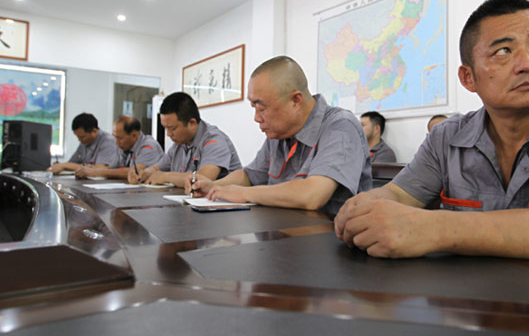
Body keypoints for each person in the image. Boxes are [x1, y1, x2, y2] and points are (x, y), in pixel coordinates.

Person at [335, 0, 529, 279]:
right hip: (487, 303)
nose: (528, 63)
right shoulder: (446, 137)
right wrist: (365, 208)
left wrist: (431, 228)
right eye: (503, 51)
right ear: (468, 77)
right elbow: (397, 195)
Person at [190, 56, 372, 216]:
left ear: (295, 100)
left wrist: (243, 193)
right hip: (283, 229)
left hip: (327, 235)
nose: (256, 118)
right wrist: (215, 186)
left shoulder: (340, 126)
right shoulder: (279, 133)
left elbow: (312, 195)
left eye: (262, 108)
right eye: (253, 108)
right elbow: (250, 175)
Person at [139, 92, 241, 187]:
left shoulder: (214, 141)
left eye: (172, 128)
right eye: (165, 128)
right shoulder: (179, 144)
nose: (168, 134)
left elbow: (203, 179)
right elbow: (156, 168)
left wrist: (165, 176)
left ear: (192, 123)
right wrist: (144, 173)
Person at [75, 115, 164, 181]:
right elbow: (113, 169)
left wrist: (95, 173)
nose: (116, 142)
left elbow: (134, 172)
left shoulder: (148, 146)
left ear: (134, 135)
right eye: (115, 137)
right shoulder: (123, 146)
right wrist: (93, 168)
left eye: (120, 138)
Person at [49, 113, 120, 174]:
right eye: (77, 136)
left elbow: (101, 168)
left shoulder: (108, 141)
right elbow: (73, 163)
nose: (79, 140)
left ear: (94, 131)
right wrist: (60, 165)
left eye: (82, 137)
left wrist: (65, 165)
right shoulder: (85, 142)